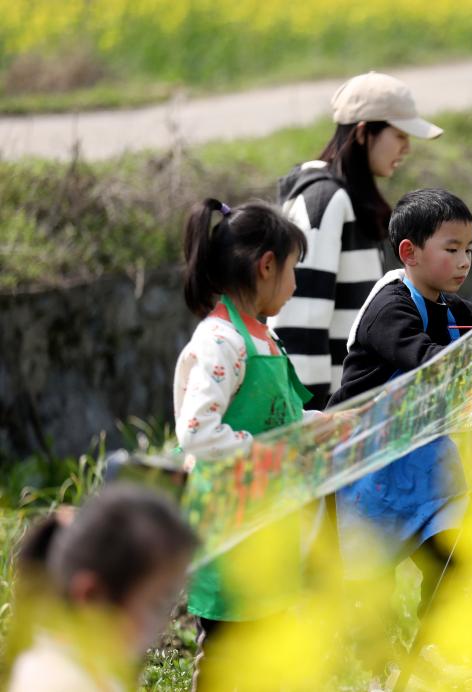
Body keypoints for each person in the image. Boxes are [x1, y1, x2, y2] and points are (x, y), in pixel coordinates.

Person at [326, 188, 472, 682]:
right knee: (371, 582)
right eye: (452, 248)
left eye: (469, 249)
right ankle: (376, 668)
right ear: (410, 252)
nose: (464, 260)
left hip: (421, 462)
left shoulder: (439, 301)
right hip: (368, 465)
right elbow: (426, 361)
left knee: (458, 555)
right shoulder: (389, 308)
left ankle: (431, 647)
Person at [173, 198, 315, 689]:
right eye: (294, 270)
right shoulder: (222, 340)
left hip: (266, 521)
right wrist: (265, 450)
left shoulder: (262, 337)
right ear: (267, 265)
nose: (296, 286)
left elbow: (282, 417)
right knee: (229, 658)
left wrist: (327, 423)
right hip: (230, 529)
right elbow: (196, 431)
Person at [269, 72, 444, 409]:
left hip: (349, 412)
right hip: (329, 418)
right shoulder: (325, 200)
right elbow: (300, 322)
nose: (406, 148)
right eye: (399, 135)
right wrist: (314, 421)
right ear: (364, 133)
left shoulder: (347, 200)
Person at [7, 484, 196, 692]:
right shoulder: (62, 683)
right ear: (92, 598)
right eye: (156, 604)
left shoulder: (77, 667)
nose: (163, 624)